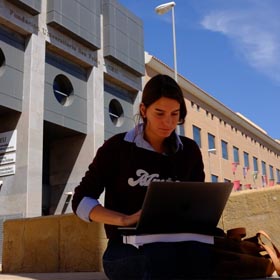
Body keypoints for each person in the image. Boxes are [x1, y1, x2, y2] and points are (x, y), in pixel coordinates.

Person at [72, 74, 215, 279]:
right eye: (159, 113)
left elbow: (197, 204)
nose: (168, 122)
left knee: (202, 258)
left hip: (179, 243)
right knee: (155, 261)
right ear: (143, 110)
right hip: (127, 245)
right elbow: (81, 201)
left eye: (175, 114)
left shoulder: (189, 151)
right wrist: (124, 219)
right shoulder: (117, 148)